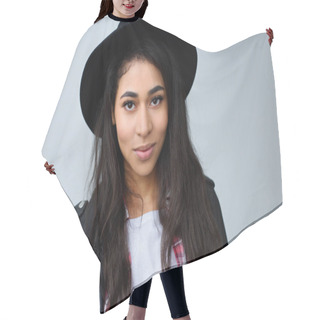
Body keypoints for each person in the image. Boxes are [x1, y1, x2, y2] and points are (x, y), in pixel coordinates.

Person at [43, 1, 275, 320]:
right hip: (123, 185)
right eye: (128, 104)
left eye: (155, 100)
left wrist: (253, 52)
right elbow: (72, 98)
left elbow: (207, 67)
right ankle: (154, 315)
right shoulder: (93, 37)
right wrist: (59, 150)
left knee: (160, 231)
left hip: (165, 187)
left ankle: (145, 315)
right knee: (145, 232)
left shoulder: (148, 35)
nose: (144, 126)